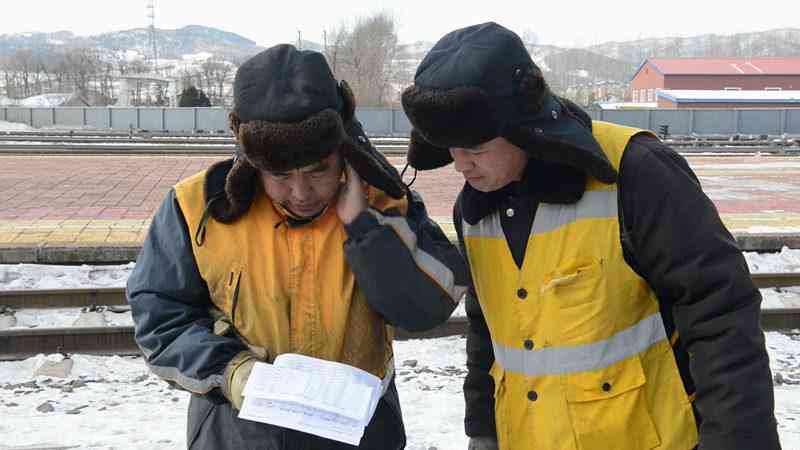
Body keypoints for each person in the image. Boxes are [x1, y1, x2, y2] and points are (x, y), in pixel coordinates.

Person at [401, 22, 780, 450]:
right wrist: (483, 429)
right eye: (450, 150)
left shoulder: (636, 172)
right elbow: (486, 330)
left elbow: (721, 313)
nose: (460, 166)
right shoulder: (475, 208)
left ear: (522, 128)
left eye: (475, 149)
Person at [127, 44, 468, 450]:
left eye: (319, 170)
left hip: (359, 435)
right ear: (252, 159)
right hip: (237, 436)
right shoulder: (195, 207)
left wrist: (365, 228)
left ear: (343, 151)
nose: (301, 192)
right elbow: (160, 318)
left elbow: (426, 308)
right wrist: (231, 372)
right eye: (280, 175)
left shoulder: (383, 201)